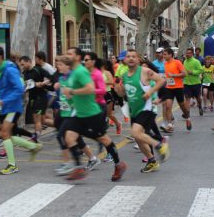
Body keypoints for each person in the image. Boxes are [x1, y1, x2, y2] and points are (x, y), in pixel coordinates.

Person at [62, 47, 125, 181]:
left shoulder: (81, 71)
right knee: (69, 137)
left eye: (69, 54)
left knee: (104, 139)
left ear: (78, 57)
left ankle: (119, 165)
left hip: (92, 113)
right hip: (79, 114)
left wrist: (72, 92)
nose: (67, 56)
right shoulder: (73, 72)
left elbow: (90, 89)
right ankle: (79, 168)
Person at [0, 46, 42, 175]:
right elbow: (0, 92)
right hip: (6, 107)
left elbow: (20, 89)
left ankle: (12, 165)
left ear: (0, 57)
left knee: (4, 133)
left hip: (14, 107)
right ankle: (33, 146)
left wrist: (4, 101)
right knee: (6, 135)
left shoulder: (10, 70)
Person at [115, 50, 169, 173]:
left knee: (136, 132)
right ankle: (152, 161)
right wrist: (118, 89)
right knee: (138, 139)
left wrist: (150, 91)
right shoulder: (124, 75)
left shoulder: (144, 71)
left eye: (134, 56)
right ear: (124, 60)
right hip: (134, 110)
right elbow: (124, 93)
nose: (130, 58)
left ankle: (159, 145)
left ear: (139, 59)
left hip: (147, 108)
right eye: (128, 57)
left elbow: (161, 81)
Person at [18, 55, 51, 142]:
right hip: (32, 98)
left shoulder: (38, 69)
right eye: (21, 65)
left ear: (29, 62)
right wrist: (24, 90)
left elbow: (51, 77)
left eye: (23, 64)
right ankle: (60, 124)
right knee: (39, 119)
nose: (22, 66)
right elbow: (28, 86)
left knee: (37, 119)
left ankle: (36, 138)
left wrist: (43, 83)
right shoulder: (24, 73)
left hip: (41, 97)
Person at [160, 48, 189, 132]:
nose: (163, 56)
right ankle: (169, 124)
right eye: (163, 54)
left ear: (170, 55)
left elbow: (184, 74)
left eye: (165, 54)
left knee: (182, 106)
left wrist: (174, 75)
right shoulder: (165, 64)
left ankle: (187, 116)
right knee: (168, 106)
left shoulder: (177, 62)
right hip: (169, 87)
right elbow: (167, 75)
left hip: (178, 87)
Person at [182, 47, 204, 123]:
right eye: (186, 53)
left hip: (196, 83)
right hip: (186, 83)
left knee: (198, 97)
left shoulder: (196, 61)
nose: (187, 54)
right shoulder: (184, 61)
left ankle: (200, 106)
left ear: (192, 54)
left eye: (189, 53)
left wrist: (193, 72)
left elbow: (201, 70)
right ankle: (187, 114)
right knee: (187, 99)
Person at [101, 59, 121, 136]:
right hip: (99, 94)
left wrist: (101, 82)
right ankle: (102, 127)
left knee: (109, 114)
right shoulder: (96, 73)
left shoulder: (107, 72)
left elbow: (112, 82)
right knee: (100, 112)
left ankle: (118, 124)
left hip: (107, 94)